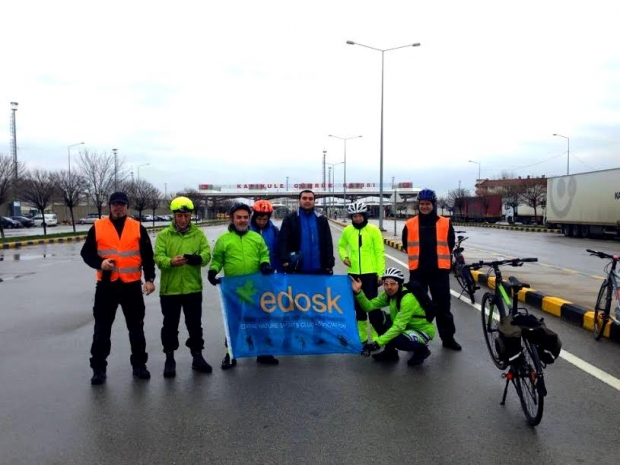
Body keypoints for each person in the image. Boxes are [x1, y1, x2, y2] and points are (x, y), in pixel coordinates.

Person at [81, 191, 156, 385]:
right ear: (110, 206)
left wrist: (149, 279)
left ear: (127, 207)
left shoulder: (137, 227)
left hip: (131, 286)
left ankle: (139, 365)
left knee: (136, 328)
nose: (118, 208)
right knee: (102, 329)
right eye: (115, 204)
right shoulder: (98, 227)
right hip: (107, 286)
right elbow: (86, 253)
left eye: (122, 204)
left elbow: (148, 256)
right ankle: (98, 369)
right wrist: (100, 263)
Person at [207, 202, 276, 369]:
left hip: (255, 287)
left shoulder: (256, 238)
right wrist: (213, 270)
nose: (242, 220)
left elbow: (264, 254)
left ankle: (263, 352)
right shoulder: (224, 240)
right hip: (234, 288)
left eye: (245, 217)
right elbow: (217, 259)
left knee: (259, 319)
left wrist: (265, 264)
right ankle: (231, 353)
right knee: (233, 321)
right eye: (239, 217)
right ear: (232, 219)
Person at [154, 196, 213, 378]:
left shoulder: (198, 234)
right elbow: (158, 257)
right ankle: (169, 358)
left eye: (186, 216)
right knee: (170, 326)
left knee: (195, 325)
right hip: (170, 290)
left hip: (192, 288)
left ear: (190, 216)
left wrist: (198, 259)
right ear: (174, 215)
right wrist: (170, 262)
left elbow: (207, 254)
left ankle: (197, 356)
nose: (183, 219)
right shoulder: (164, 235)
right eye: (179, 216)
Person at [401, 188, 461, 350]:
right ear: (418, 205)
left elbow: (449, 243)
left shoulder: (445, 223)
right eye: (422, 204)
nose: (424, 206)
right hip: (418, 271)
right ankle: (413, 338)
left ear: (433, 205)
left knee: (443, 306)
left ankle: (448, 338)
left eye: (427, 204)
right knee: (416, 306)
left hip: (439, 271)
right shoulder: (410, 224)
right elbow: (406, 245)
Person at [351, 267, 435, 365]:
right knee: (375, 315)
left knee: (396, 338)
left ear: (400, 284)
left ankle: (421, 350)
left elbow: (398, 327)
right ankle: (390, 352)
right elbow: (368, 307)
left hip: (421, 330)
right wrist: (358, 292)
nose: (389, 287)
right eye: (386, 284)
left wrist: (376, 344)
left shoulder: (408, 299)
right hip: (404, 327)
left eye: (393, 283)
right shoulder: (388, 294)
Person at [338, 201, 385, 343]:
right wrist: (344, 257)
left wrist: (380, 273)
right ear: (351, 217)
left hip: (370, 274)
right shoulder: (348, 230)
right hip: (354, 274)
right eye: (355, 216)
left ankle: (377, 335)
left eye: (360, 216)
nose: (357, 219)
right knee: (358, 307)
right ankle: (362, 336)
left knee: (372, 305)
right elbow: (341, 246)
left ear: (365, 216)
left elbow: (379, 252)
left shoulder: (373, 230)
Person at [277, 189, 334, 275]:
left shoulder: (321, 220)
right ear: (299, 200)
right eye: (304, 198)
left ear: (314, 201)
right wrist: (285, 261)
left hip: (319, 270)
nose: (307, 201)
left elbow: (328, 243)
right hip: (296, 269)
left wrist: (329, 264)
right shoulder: (290, 219)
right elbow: (283, 241)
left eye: (310, 199)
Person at [249, 199, 280, 271]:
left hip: (269, 270)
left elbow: (278, 251)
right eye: (259, 219)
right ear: (254, 217)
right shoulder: (247, 229)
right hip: (252, 271)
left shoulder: (274, 230)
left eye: (265, 219)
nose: (261, 222)